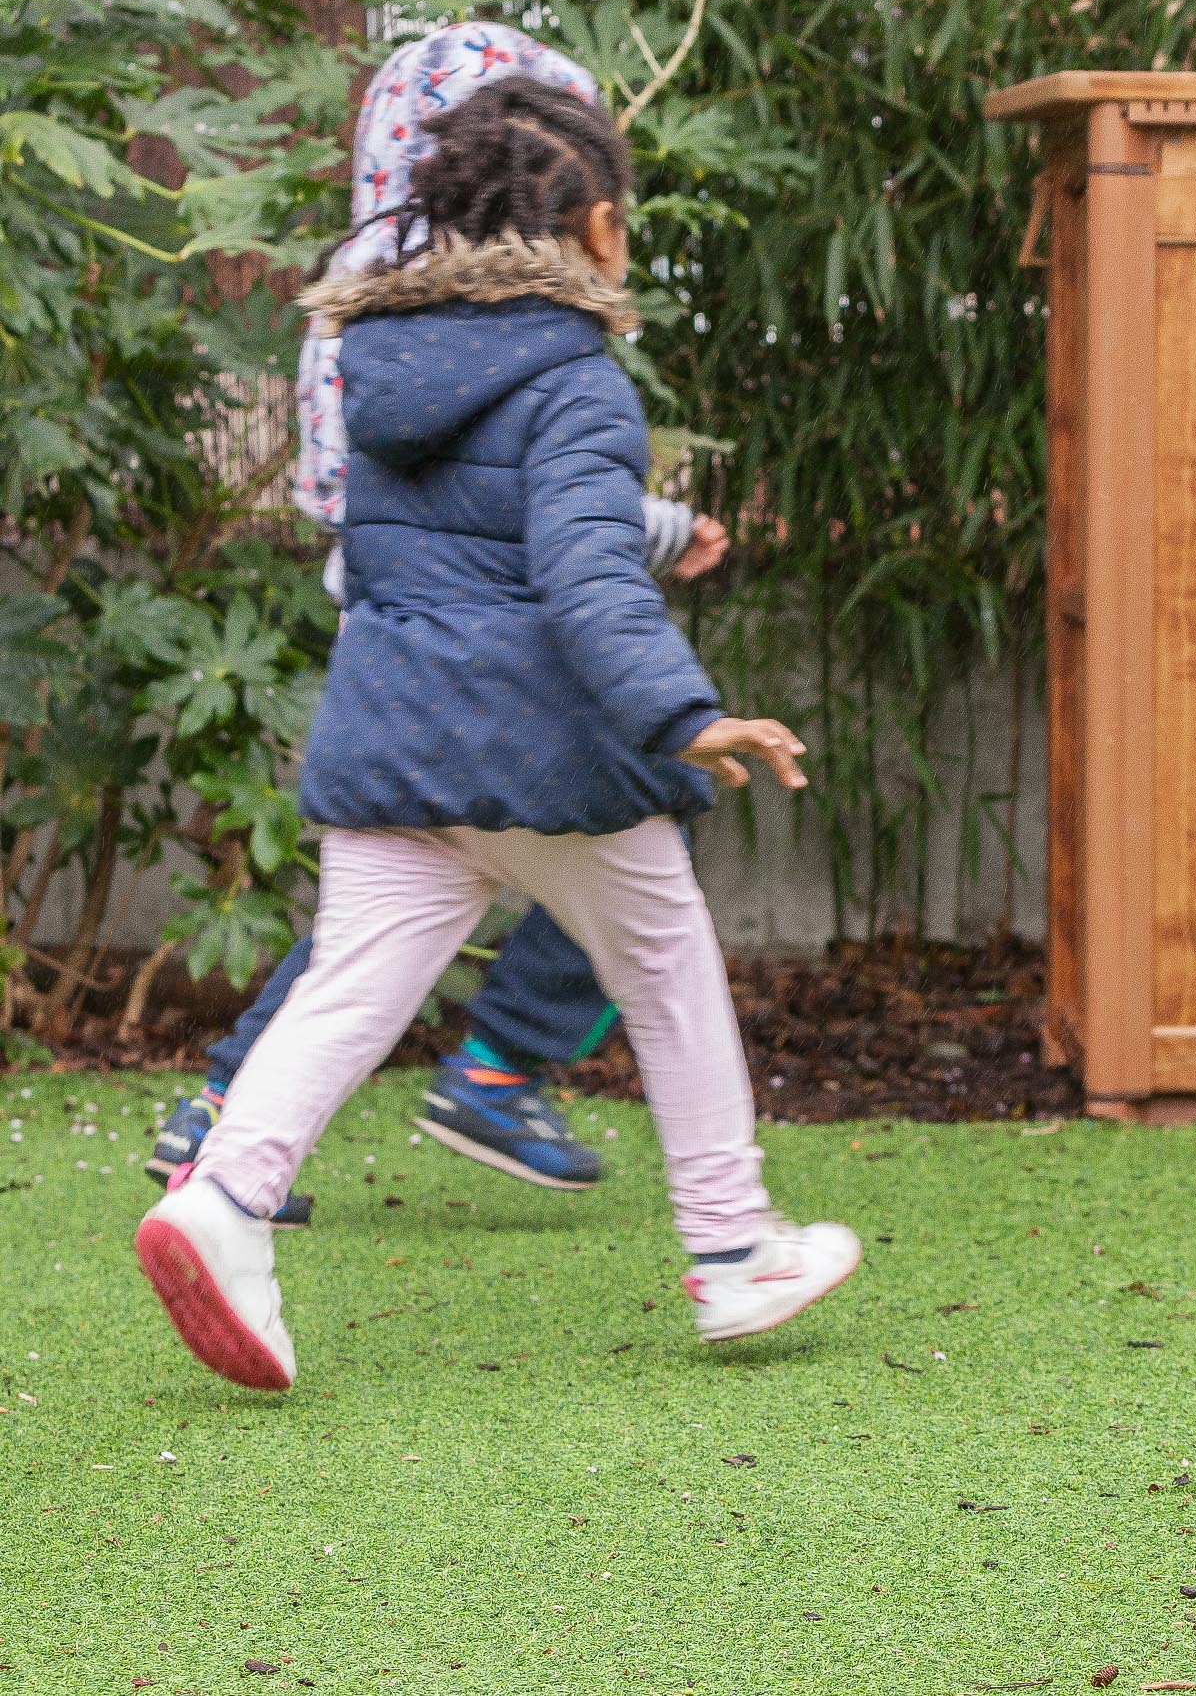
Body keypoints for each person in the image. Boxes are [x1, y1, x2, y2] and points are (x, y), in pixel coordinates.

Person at [135, 77, 857, 1392]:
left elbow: (429, 549)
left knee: (350, 987)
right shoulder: (578, 381)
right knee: (667, 965)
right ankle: (736, 1244)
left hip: (393, 737)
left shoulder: (384, 369)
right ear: (596, 229)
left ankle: (227, 1199)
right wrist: (684, 714)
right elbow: (584, 573)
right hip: (539, 753)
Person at [146, 24, 727, 1213]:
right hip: (503, 652)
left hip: (391, 642)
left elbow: (453, 495)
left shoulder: (373, 315)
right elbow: (547, 522)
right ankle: (525, 1086)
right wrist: (670, 632)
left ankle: (228, 1124)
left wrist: (651, 529)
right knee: (638, 838)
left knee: (380, 924)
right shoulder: (537, 336)